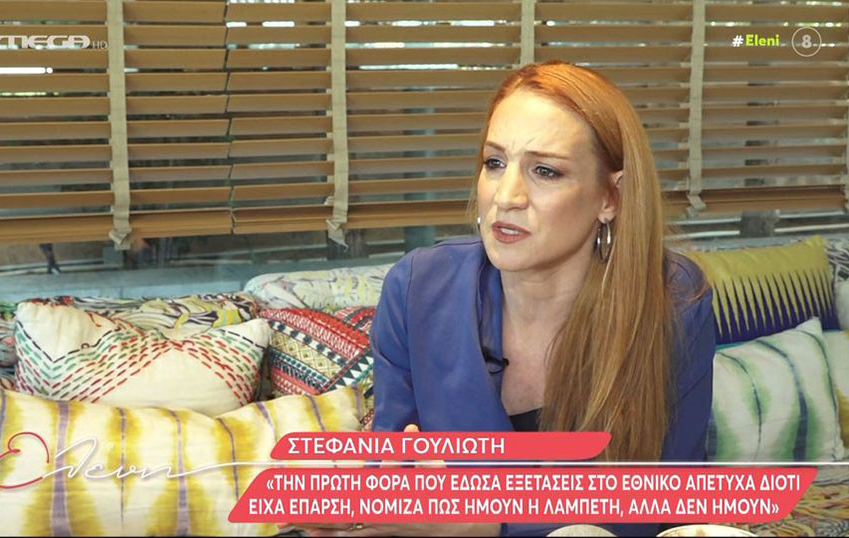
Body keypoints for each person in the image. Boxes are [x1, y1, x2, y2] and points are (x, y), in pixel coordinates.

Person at [305, 60, 716, 537]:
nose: (506, 196)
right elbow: (395, 470)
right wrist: (355, 511)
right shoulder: (417, 288)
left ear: (611, 198)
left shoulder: (673, 299)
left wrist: (484, 523)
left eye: (545, 171)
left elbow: (667, 500)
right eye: (494, 163)